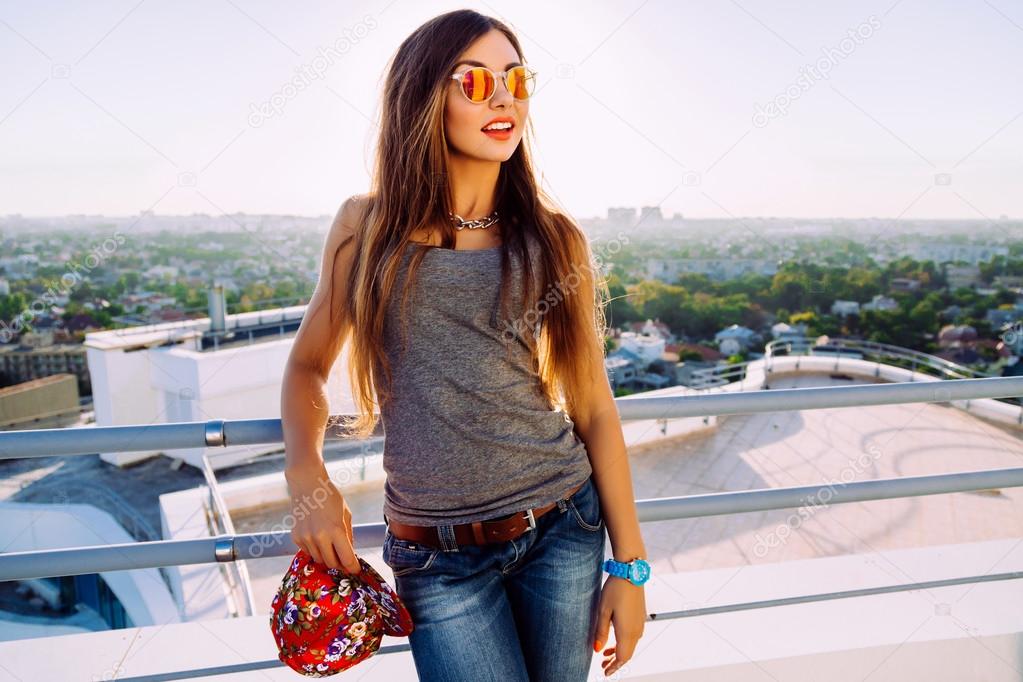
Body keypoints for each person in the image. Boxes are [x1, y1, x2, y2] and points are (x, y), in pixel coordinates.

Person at [280, 9, 647, 680]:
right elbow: (307, 364)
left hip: (562, 526)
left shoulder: (554, 239)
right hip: (434, 556)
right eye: (475, 82)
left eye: (516, 79)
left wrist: (629, 569)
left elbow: (593, 406)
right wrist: (307, 475)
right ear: (425, 97)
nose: (503, 96)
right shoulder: (365, 227)